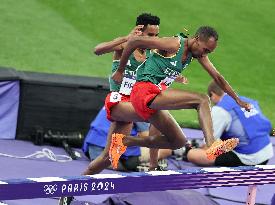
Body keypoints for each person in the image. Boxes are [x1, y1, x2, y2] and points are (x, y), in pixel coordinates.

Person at [109, 26, 251, 169]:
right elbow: (135, 42)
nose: (205, 54)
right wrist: (120, 70)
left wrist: (237, 99)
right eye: (205, 50)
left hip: (155, 96)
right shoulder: (174, 44)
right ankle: (211, 145)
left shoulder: (197, 53)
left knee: (177, 142)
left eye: (209, 52)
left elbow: (218, 78)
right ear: (196, 39)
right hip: (143, 91)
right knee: (201, 99)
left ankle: (124, 141)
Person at [59, 13, 162, 205]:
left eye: (157, 35)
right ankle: (153, 165)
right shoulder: (125, 46)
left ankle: (70, 190)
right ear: (139, 30)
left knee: (108, 158)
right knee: (156, 111)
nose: (154, 40)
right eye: (150, 34)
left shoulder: (150, 55)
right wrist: (127, 38)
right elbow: (97, 50)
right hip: (117, 103)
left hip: (132, 108)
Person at [182, 81, 273, 166]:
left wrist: (195, 149)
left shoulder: (220, 110)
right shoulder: (245, 100)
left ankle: (183, 152)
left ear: (213, 94)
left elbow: (209, 145)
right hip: (266, 151)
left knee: (194, 154)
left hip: (249, 157)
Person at [82, 106, 150, 171]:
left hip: (92, 151)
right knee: (156, 147)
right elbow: (146, 137)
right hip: (114, 158)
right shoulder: (139, 105)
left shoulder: (115, 99)